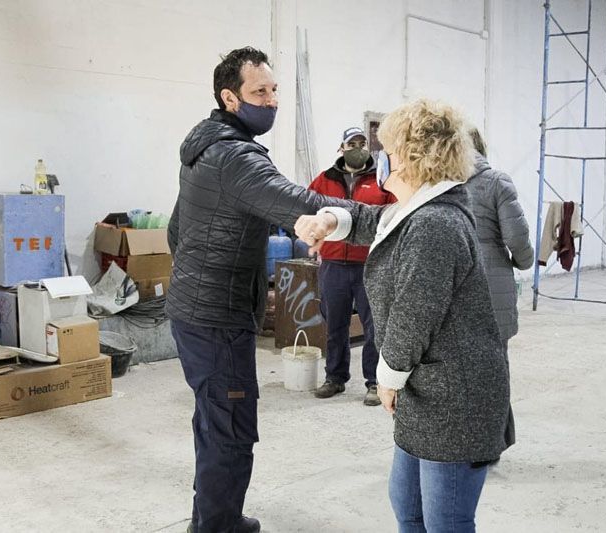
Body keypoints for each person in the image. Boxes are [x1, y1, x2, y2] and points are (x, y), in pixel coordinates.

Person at [166, 46, 360, 533]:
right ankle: (218, 527)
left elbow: (175, 231)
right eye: (260, 92)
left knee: (213, 424)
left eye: (274, 91)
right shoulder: (235, 157)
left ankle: (212, 519)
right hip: (217, 316)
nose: (271, 101)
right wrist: (374, 216)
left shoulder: (204, 146)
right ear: (230, 97)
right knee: (231, 430)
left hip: (192, 308)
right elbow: (301, 200)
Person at [295, 99, 509, 532]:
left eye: (387, 147)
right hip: (428, 392)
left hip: (454, 398)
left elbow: (414, 317)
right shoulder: (418, 211)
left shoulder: (435, 224)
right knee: (407, 506)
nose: (379, 158)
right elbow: (372, 218)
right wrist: (328, 219)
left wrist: (387, 378)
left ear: (410, 157)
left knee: (445, 520)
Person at [307, 127, 395, 405]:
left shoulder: (381, 179)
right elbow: (308, 208)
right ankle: (335, 377)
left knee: (373, 327)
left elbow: (394, 212)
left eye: (362, 142)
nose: (358, 146)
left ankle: (374, 382)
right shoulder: (324, 180)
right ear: (341, 148)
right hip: (333, 262)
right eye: (352, 143)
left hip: (370, 264)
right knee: (335, 324)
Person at [464, 128, 534, 451]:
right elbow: (517, 239)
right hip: (493, 286)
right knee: (495, 366)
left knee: (460, 367)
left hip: (456, 281)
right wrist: (524, 261)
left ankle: (463, 442)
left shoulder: (440, 185)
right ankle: (494, 441)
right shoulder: (497, 182)